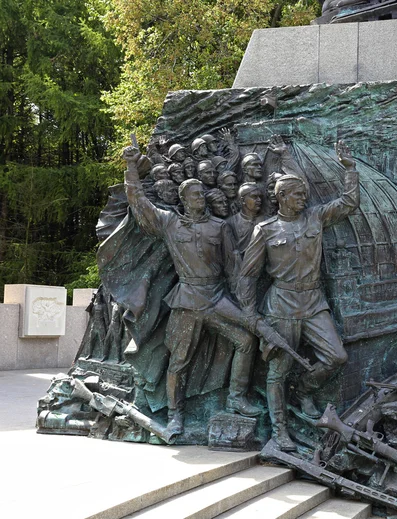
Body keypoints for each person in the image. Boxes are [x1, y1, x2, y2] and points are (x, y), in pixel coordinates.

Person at [122, 145, 293, 439]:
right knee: (180, 360)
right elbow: (139, 203)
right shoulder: (169, 222)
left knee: (245, 339)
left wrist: (247, 307)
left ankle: (236, 397)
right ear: (184, 199)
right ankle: (176, 416)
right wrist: (131, 169)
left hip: (216, 298)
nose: (201, 198)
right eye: (196, 195)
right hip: (187, 301)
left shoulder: (219, 227)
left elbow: (234, 269)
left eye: (203, 194)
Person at [237, 141, 360, 451]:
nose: (304, 198)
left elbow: (348, 203)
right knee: (278, 370)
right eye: (297, 194)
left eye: (304, 194)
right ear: (280, 198)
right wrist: (251, 315)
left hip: (313, 302)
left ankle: (303, 390)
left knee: (336, 357)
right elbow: (248, 275)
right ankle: (279, 430)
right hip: (282, 305)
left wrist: (350, 169)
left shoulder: (315, 217)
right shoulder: (264, 229)